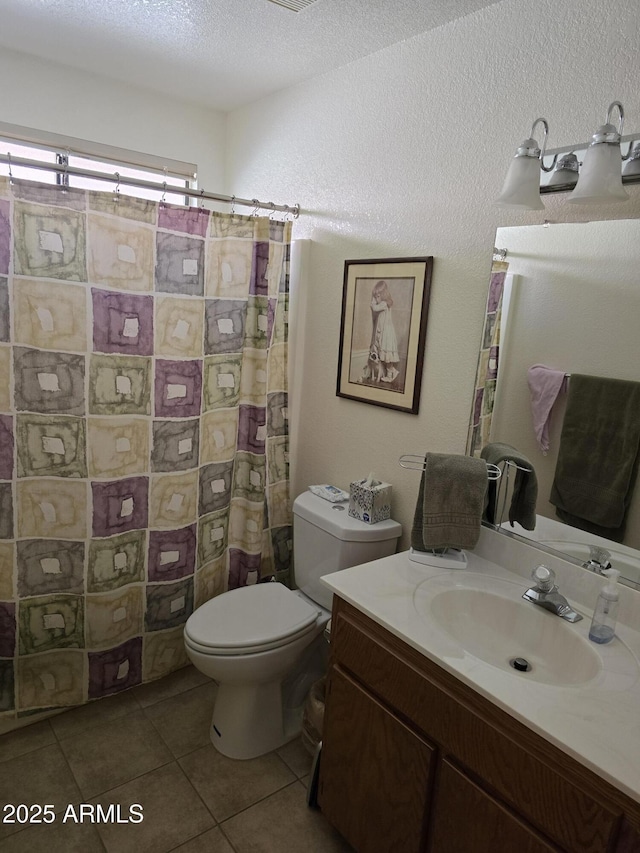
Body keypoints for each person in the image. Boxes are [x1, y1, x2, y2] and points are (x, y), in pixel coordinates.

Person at [369, 280, 399, 383]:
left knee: (387, 355)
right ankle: (390, 373)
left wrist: (373, 301)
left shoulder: (384, 304)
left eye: (377, 296)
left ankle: (392, 372)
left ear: (383, 295)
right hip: (384, 332)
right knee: (385, 355)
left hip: (386, 333)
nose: (376, 298)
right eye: (375, 296)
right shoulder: (384, 303)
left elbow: (375, 308)